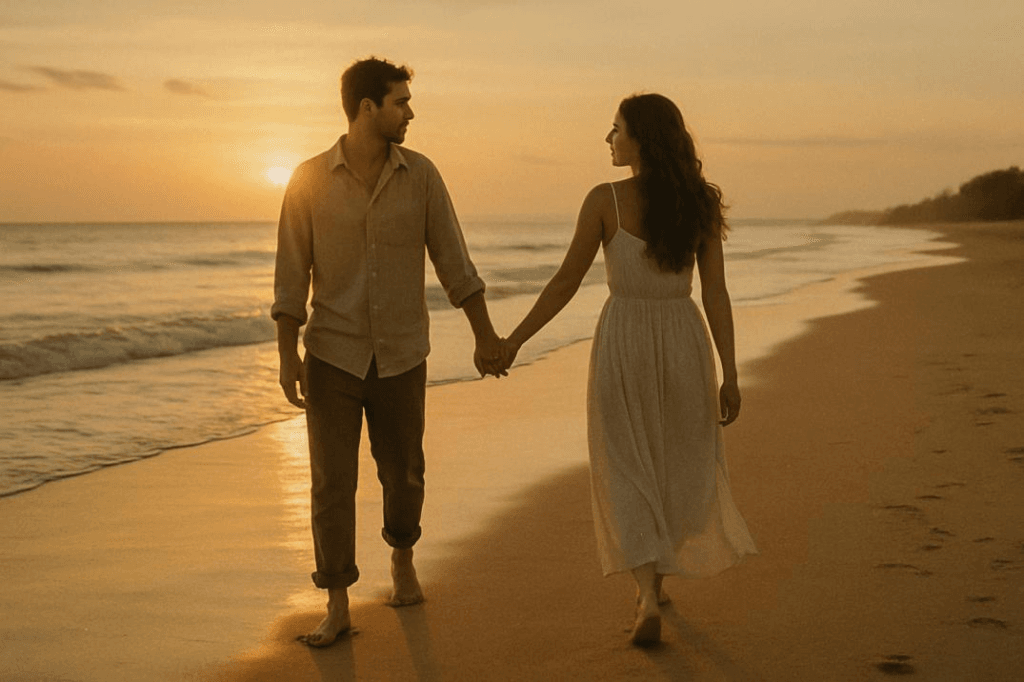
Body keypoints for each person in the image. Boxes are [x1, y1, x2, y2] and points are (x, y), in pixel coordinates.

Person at [499, 93, 757, 646]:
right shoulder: (698, 203)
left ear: (639, 138)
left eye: (615, 129)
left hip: (625, 342)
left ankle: (645, 593)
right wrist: (729, 372)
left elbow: (566, 282)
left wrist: (515, 340)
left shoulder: (605, 201)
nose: (608, 139)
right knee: (673, 460)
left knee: (624, 461)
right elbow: (715, 292)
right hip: (685, 340)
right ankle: (655, 586)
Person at [272, 57, 505, 648]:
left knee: (404, 473)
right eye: (400, 101)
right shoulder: (306, 180)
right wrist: (285, 357)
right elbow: (290, 276)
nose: (409, 112)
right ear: (366, 108)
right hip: (331, 355)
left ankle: (401, 555)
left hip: (402, 353)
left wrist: (484, 335)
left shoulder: (422, 176)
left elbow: (455, 261)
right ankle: (338, 602)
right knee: (331, 483)